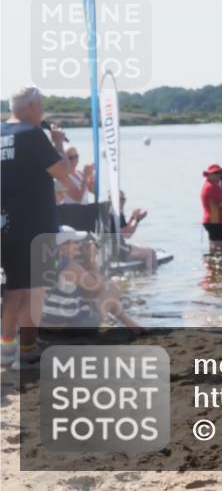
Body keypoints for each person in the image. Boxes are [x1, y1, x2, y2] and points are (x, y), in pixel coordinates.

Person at [1, 87, 74, 369]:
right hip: (34, 224)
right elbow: (63, 173)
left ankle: (9, 348)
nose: (43, 110)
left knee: (13, 289)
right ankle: (22, 350)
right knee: (32, 291)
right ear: (31, 106)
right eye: (41, 105)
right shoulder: (33, 135)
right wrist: (57, 142)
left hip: (5, 222)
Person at [41, 226, 141, 331]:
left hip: (47, 321)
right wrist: (91, 259)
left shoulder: (47, 263)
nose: (79, 245)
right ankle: (134, 328)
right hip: (72, 326)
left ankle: (133, 327)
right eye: (75, 242)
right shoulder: (70, 266)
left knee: (108, 299)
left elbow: (85, 292)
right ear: (62, 246)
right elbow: (99, 288)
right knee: (114, 286)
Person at [116, 191, 156, 273]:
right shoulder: (116, 213)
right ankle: (150, 277)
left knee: (139, 246)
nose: (124, 202)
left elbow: (124, 230)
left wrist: (132, 217)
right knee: (150, 253)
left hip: (112, 247)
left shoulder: (109, 210)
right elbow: (127, 234)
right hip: (117, 249)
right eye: (123, 200)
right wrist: (137, 219)